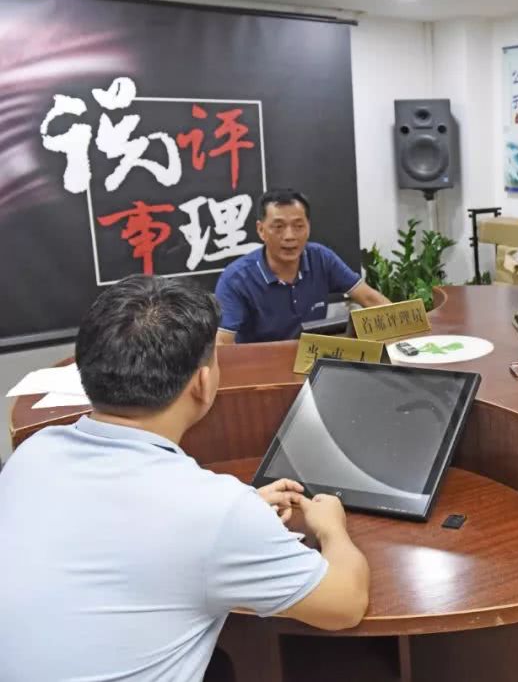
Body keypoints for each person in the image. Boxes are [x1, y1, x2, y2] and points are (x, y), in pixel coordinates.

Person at [0, 275, 371, 681]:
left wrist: (241, 512)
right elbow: (345, 604)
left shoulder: (32, 455)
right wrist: (331, 528)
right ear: (203, 382)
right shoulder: (216, 512)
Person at [215, 188, 389, 344]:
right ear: (261, 230)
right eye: (278, 227)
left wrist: (403, 337)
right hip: (260, 364)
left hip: (312, 358)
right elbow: (221, 342)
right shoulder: (235, 279)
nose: (289, 236)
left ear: (308, 227)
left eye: (298, 226)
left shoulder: (321, 258)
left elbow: (370, 299)